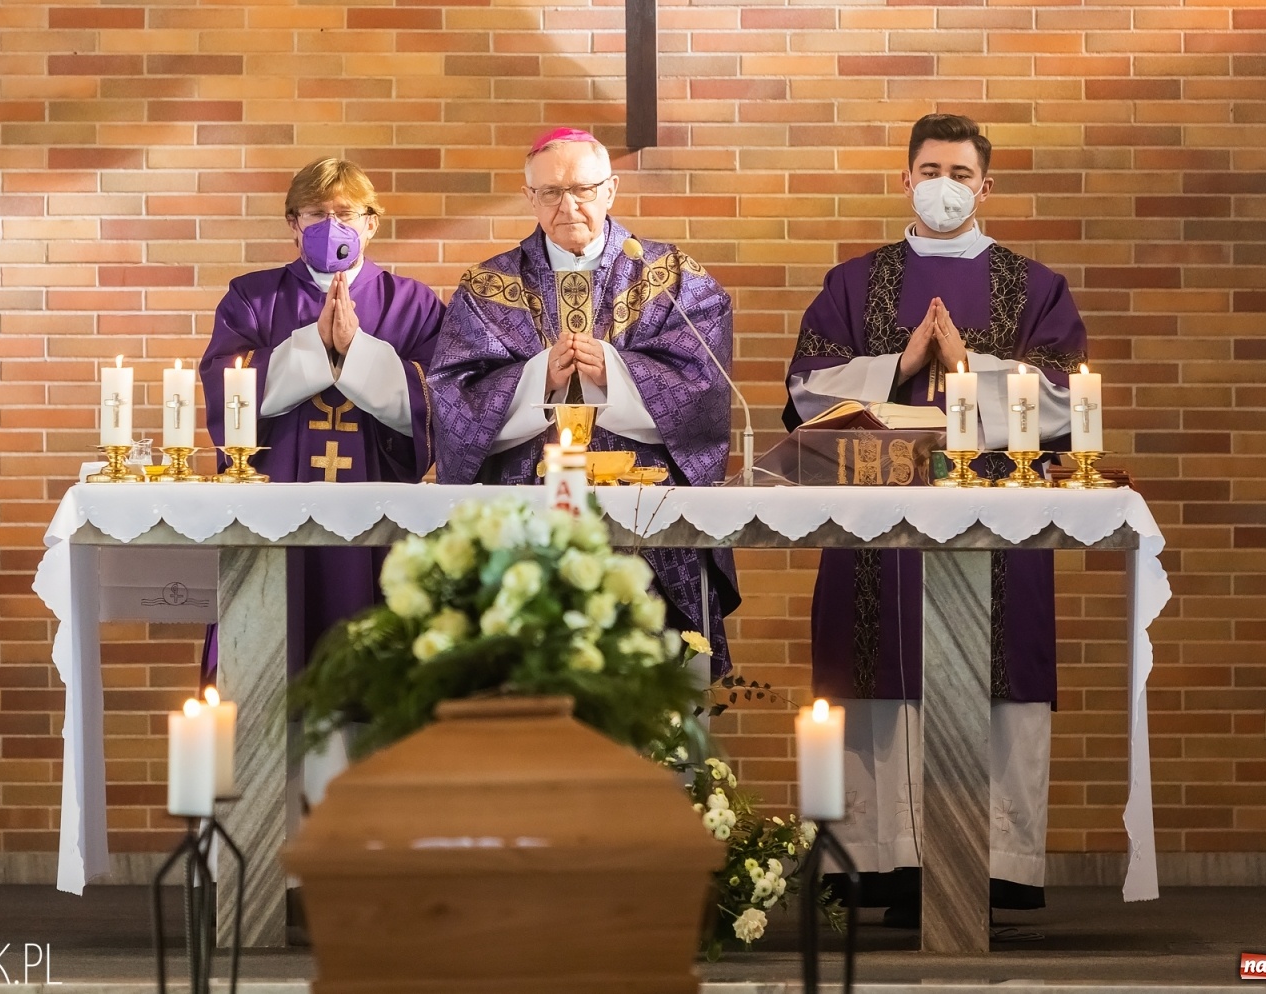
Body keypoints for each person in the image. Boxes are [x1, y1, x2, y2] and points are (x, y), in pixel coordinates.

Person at [784, 114, 1089, 926]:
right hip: (873, 524)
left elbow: (1065, 397)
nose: (944, 186)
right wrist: (902, 364)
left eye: (961, 172)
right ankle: (881, 862)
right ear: (905, 179)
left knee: (997, 674)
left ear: (986, 186)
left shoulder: (1034, 285)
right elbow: (805, 389)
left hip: (999, 519)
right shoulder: (854, 282)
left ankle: (988, 868)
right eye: (930, 169)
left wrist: (972, 367)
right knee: (874, 671)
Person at [428, 127, 740, 669]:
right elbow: (453, 401)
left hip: (647, 522)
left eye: (583, 189)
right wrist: (536, 377)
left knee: (652, 686)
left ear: (611, 190)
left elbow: (706, 393)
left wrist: (616, 373)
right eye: (550, 192)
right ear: (529, 197)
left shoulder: (670, 277)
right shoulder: (488, 286)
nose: (567, 205)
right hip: (526, 525)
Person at [200, 158, 444, 677]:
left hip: (379, 511)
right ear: (293, 225)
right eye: (315, 214)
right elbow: (227, 390)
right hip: (275, 506)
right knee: (270, 657)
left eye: (348, 213)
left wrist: (358, 351)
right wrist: (314, 347)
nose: (332, 226)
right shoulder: (253, 296)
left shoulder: (415, 303)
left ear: (372, 222)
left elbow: (441, 403)